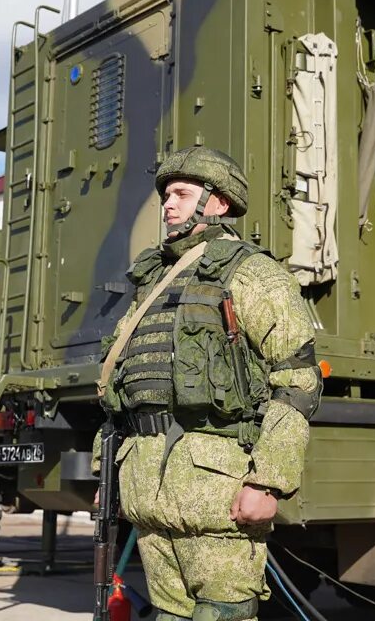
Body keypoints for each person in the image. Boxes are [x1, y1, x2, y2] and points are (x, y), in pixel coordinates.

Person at [94, 146, 323, 621]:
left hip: (218, 498)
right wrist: (108, 474)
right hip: (150, 497)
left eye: (181, 193)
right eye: (165, 195)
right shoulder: (153, 286)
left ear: (217, 203)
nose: (167, 205)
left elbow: (296, 381)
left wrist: (269, 481)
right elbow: (122, 393)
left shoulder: (253, 274)